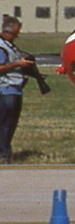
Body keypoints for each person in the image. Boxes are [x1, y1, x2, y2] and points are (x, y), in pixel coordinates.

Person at [0, 15, 35, 164]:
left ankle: (4, 152)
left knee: (9, 123)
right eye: (15, 33)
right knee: (6, 123)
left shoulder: (9, 45)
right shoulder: (1, 47)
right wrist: (17, 64)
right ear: (6, 32)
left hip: (13, 89)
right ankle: (4, 154)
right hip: (6, 89)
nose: (17, 36)